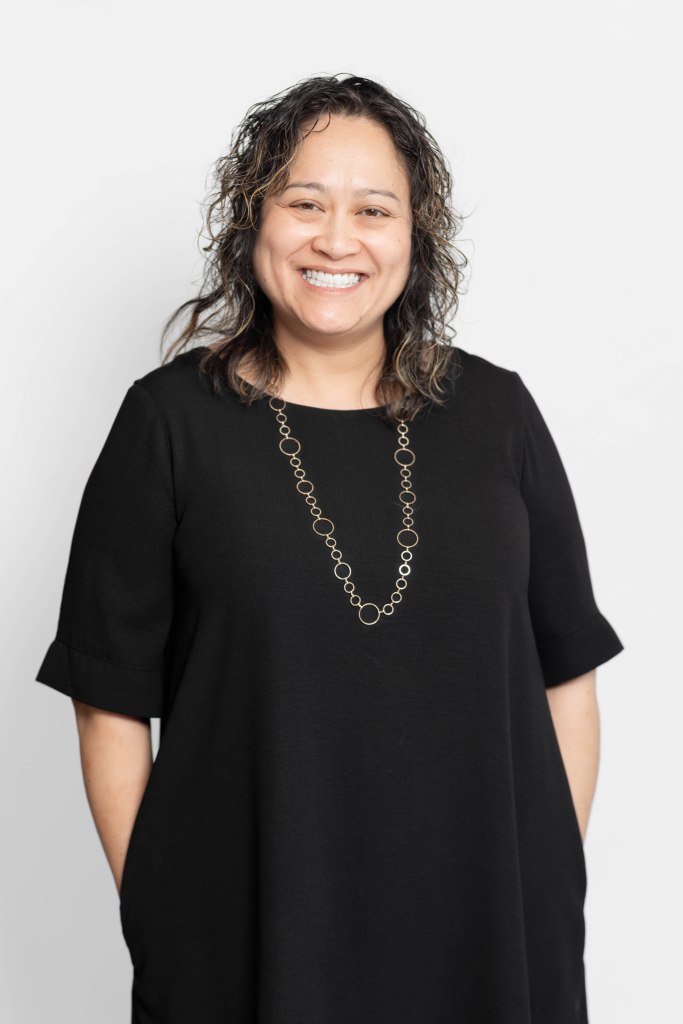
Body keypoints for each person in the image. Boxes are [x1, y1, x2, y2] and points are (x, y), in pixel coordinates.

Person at [35, 74, 624, 1023]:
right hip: (249, 933)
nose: (336, 240)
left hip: (491, 926)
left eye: (373, 210)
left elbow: (567, 674)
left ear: (415, 236)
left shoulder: (498, 415)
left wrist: (545, 877)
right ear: (252, 221)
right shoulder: (168, 424)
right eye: (304, 203)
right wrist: (161, 910)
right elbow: (108, 697)